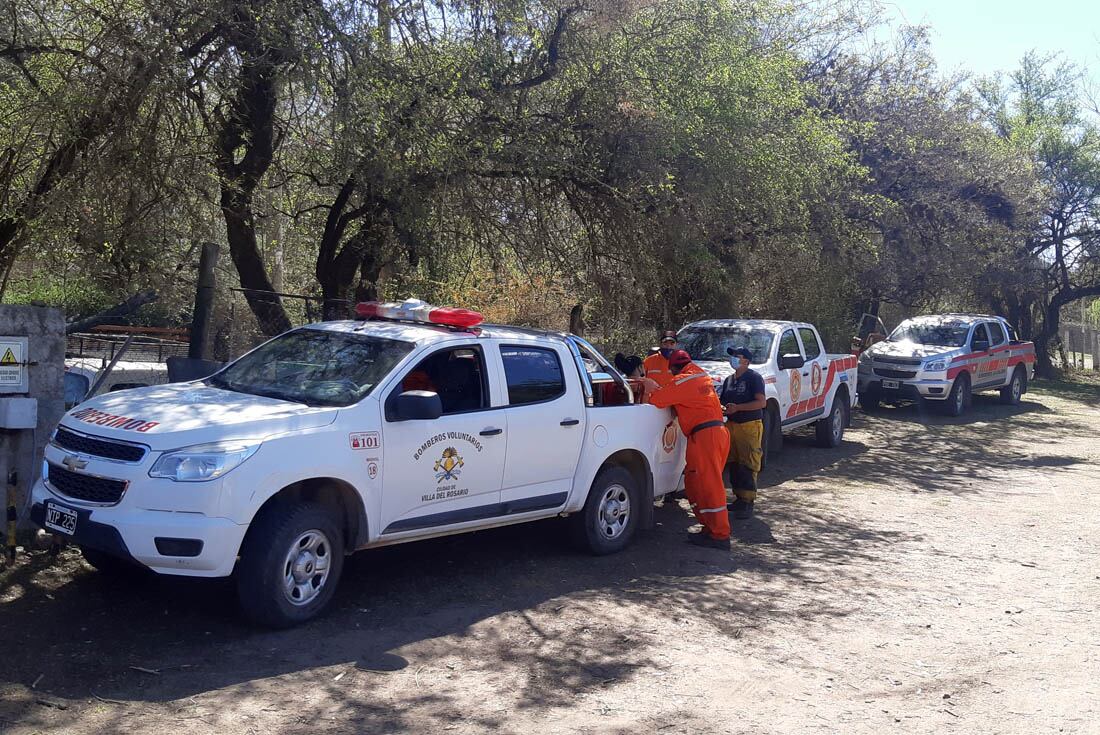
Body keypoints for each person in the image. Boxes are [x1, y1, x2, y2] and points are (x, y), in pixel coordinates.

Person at [642, 349, 731, 550]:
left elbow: (657, 399)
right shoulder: (700, 375)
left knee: (709, 485)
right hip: (713, 434)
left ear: (673, 368)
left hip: (705, 437)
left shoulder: (683, 381)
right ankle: (710, 528)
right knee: (697, 481)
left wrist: (650, 386)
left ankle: (719, 534)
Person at [718, 347, 766, 519]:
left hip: (749, 425)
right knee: (734, 462)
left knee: (748, 462)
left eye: (737, 357)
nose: (733, 360)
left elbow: (761, 402)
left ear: (746, 360)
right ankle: (739, 498)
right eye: (732, 357)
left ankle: (748, 501)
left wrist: (738, 408)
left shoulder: (754, 378)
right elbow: (723, 400)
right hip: (732, 424)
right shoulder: (729, 380)